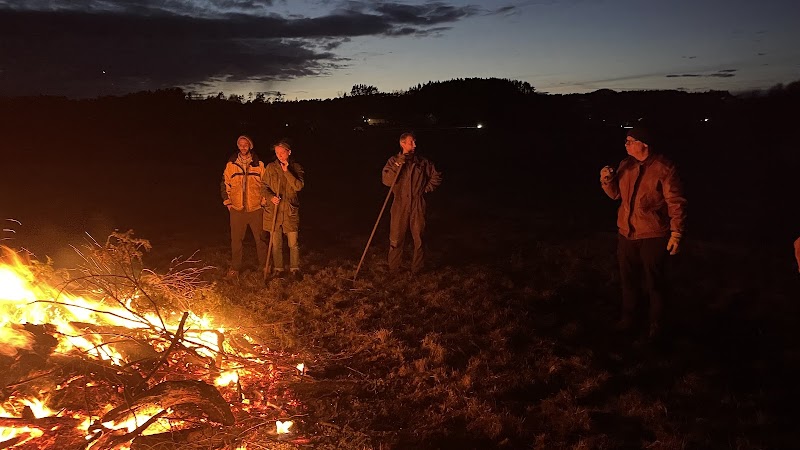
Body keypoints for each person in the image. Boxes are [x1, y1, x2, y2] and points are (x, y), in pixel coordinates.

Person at [600, 126, 687, 340]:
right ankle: (629, 319)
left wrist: (676, 233)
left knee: (655, 282)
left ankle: (657, 325)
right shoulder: (625, 165)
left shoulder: (664, 168)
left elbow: (675, 202)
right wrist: (607, 180)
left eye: (631, 140)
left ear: (644, 144)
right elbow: (616, 195)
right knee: (628, 280)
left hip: (653, 234)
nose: (626, 144)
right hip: (627, 233)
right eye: (626, 140)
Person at [382, 132, 442, 275]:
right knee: (396, 238)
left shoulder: (422, 162)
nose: (414, 145)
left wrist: (425, 189)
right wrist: (398, 164)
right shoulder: (393, 161)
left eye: (415, 142)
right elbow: (387, 181)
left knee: (419, 237)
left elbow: (436, 176)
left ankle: (417, 269)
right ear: (402, 143)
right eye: (411, 142)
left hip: (417, 204)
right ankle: (394, 269)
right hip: (400, 204)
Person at [221, 135, 267, 279]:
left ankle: (265, 266)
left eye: (245, 144)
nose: (243, 147)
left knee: (261, 240)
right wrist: (228, 202)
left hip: (256, 209)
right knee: (236, 241)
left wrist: (263, 203)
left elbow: (265, 184)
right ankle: (235, 268)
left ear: (250, 146)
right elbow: (225, 183)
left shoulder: (259, 164)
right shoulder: (231, 164)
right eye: (240, 145)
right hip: (237, 209)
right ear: (238, 146)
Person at [262, 140, 305, 280]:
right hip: (274, 211)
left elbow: (298, 186)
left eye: (282, 152)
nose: (280, 155)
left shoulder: (296, 167)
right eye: (277, 153)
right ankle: (278, 269)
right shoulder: (271, 167)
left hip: (290, 212)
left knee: (293, 243)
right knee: (276, 244)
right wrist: (270, 197)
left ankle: (294, 269)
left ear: (289, 152)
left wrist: (287, 171)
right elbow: (263, 187)